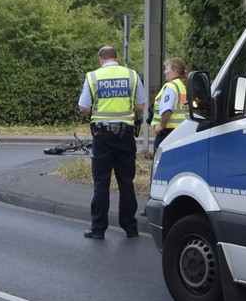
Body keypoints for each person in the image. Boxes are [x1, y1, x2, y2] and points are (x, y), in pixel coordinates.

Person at [78, 46, 147, 239]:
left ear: (100, 59)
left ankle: (98, 229)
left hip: (102, 136)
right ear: (116, 58)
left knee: (101, 182)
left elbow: (84, 107)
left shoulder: (93, 76)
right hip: (125, 136)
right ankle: (130, 227)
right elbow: (141, 107)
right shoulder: (132, 75)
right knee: (126, 182)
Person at [150, 58, 188, 151]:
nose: (164, 72)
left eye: (167, 69)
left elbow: (167, 109)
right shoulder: (183, 86)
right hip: (180, 131)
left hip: (167, 133)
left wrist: (161, 126)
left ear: (174, 72)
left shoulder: (171, 87)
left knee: (160, 163)